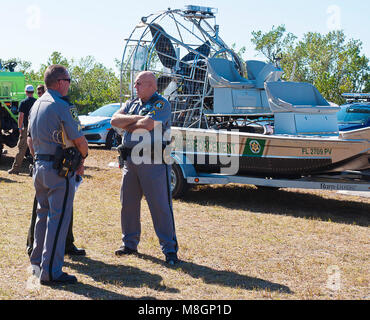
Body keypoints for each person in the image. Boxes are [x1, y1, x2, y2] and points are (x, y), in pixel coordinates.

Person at [27, 64, 88, 285]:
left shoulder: (36, 105)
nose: (69, 85)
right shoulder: (61, 105)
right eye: (69, 80)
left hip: (39, 166)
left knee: (42, 217)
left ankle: (36, 265)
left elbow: (30, 141)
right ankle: (51, 272)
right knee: (58, 220)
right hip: (57, 170)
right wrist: (84, 156)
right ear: (60, 82)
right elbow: (79, 139)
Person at [111, 71, 178, 265]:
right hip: (131, 162)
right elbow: (114, 121)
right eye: (136, 83)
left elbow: (147, 124)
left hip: (154, 161)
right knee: (128, 205)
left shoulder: (161, 104)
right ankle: (129, 244)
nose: (135, 87)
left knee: (160, 207)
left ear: (151, 85)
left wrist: (128, 123)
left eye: (139, 83)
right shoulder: (131, 103)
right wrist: (135, 121)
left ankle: (169, 249)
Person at [8, 85, 36, 174]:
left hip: (27, 128)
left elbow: (21, 116)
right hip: (36, 128)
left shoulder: (23, 102)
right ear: (33, 92)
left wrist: (20, 127)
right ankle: (36, 169)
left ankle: (15, 169)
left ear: (26, 92)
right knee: (36, 149)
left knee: (22, 149)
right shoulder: (37, 102)